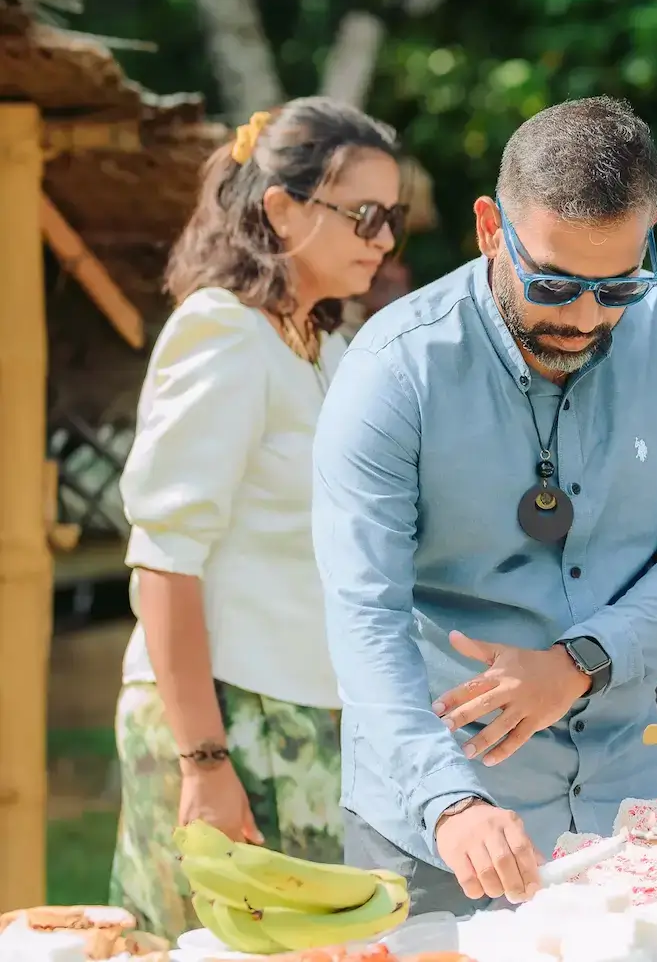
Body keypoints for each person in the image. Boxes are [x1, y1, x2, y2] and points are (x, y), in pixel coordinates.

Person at [314, 97, 657, 913]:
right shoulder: (393, 371)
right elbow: (363, 613)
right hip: (443, 824)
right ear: (488, 227)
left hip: (633, 814)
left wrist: (578, 664)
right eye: (555, 283)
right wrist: (451, 801)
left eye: (619, 284)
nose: (585, 318)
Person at [112, 99, 403, 936]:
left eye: (394, 218)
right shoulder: (223, 332)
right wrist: (203, 759)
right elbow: (164, 558)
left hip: (300, 716)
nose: (384, 239)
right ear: (280, 208)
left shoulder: (322, 349)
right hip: (224, 718)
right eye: (364, 215)